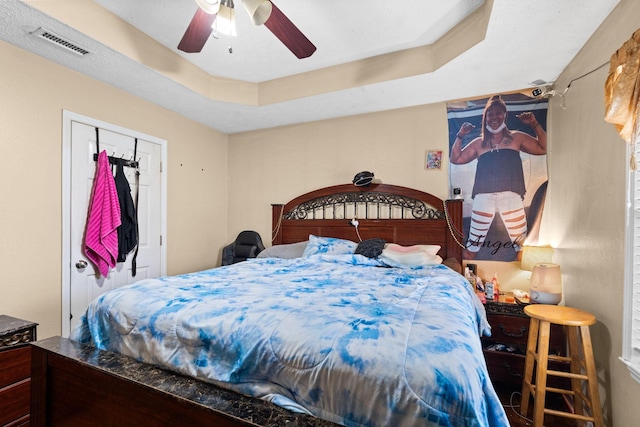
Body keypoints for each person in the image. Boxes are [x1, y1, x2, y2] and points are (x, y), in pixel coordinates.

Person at [450, 95, 547, 259]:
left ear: (504, 115)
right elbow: (456, 158)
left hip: (511, 197)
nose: (494, 117)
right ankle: (465, 279)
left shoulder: (516, 137)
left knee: (521, 246)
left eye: (498, 113)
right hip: (483, 198)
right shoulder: (479, 143)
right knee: (472, 246)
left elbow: (543, 148)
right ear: (485, 118)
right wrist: (460, 135)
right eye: (490, 114)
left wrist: (534, 124)